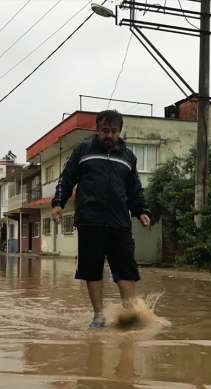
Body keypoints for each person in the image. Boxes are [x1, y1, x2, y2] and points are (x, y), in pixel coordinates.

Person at [52, 110, 151, 328]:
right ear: (97, 130)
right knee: (92, 268)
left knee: (125, 269)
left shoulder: (128, 157)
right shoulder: (83, 150)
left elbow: (135, 190)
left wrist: (142, 211)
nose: (109, 135)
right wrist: (58, 203)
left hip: (119, 223)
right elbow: (66, 179)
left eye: (114, 131)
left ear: (120, 132)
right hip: (90, 221)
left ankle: (128, 315)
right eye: (105, 130)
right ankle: (99, 315)